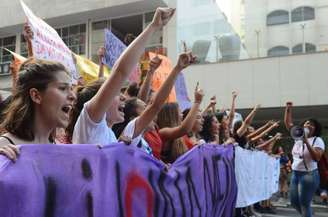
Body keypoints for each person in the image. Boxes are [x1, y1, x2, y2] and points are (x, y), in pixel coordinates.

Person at [69, 7, 176, 145]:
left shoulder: (113, 137)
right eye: (115, 92)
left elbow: (156, 106)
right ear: (100, 98)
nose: (122, 97)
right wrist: (153, 26)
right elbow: (120, 73)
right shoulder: (89, 124)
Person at [0, 59, 76, 161]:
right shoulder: (4, 148)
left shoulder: (61, 151)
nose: (73, 96)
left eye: (71, 89)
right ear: (36, 96)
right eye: (62, 88)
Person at [284, 101, 325, 217]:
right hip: (295, 173)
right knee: (294, 201)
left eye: (312, 125)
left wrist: (306, 141)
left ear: (315, 129)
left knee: (304, 203)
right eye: (307, 123)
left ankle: (307, 214)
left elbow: (316, 157)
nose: (309, 125)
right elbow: (288, 124)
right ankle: (308, 215)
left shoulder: (318, 140)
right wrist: (288, 109)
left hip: (309, 175)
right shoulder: (297, 136)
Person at [157, 84, 204, 163]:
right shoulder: (162, 132)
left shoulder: (182, 137)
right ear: (171, 116)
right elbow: (184, 129)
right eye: (179, 112)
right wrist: (197, 102)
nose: (182, 115)